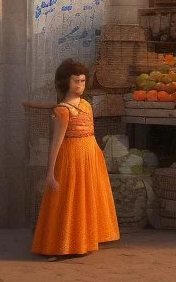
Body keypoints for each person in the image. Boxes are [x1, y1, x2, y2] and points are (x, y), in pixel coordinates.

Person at [32, 59, 120, 259]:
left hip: (90, 156)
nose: (80, 85)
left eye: (82, 81)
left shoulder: (87, 105)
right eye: (75, 81)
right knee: (69, 200)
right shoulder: (62, 110)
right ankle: (63, 245)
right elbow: (56, 142)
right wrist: (50, 173)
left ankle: (85, 240)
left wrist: (98, 157)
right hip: (71, 158)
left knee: (86, 199)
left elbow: (92, 133)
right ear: (65, 82)